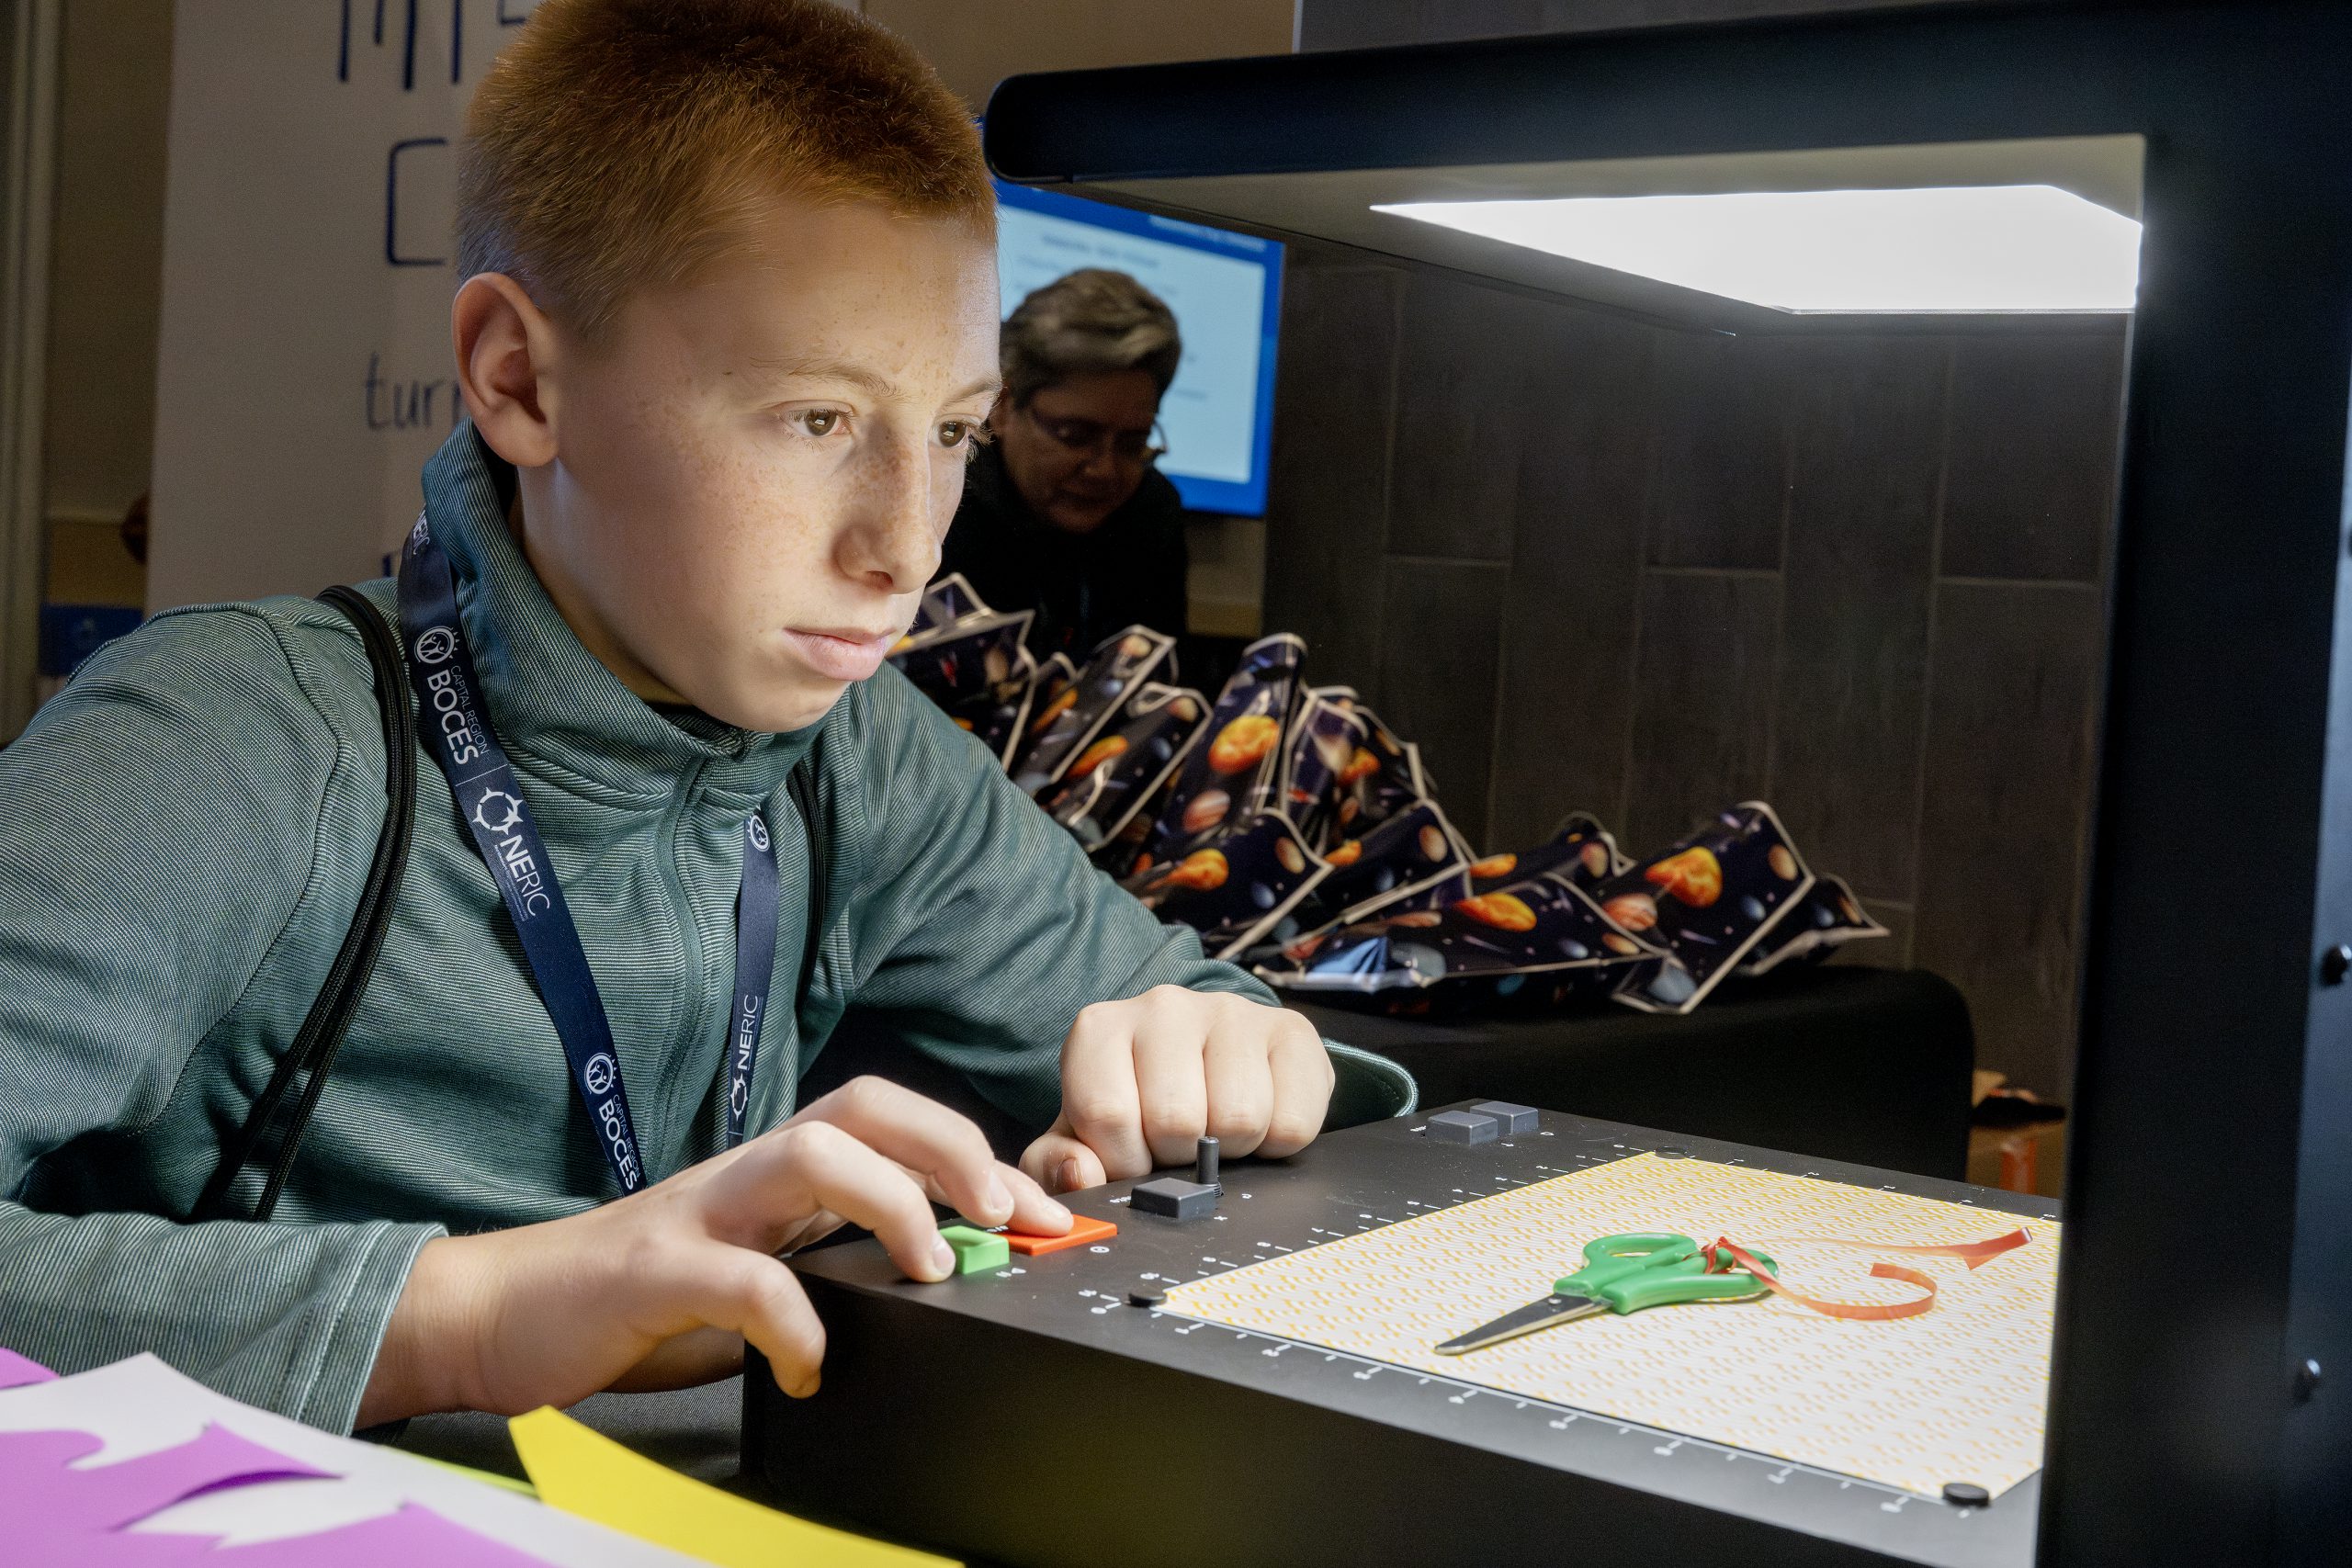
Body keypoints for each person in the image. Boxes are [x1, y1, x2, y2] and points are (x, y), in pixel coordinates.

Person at [0, 0, 1412, 1433]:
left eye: (952, 431)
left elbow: (1206, 1014)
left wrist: (1235, 1046)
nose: (908, 550)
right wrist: (472, 1312)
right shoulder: (233, 739)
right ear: (517, 377)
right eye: (814, 418)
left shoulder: (856, 753)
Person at [941, 268, 1191, 657]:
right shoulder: (941, 501)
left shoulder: (1152, 515)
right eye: (1075, 435)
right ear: (1002, 408)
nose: (1104, 469)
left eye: (1133, 443)